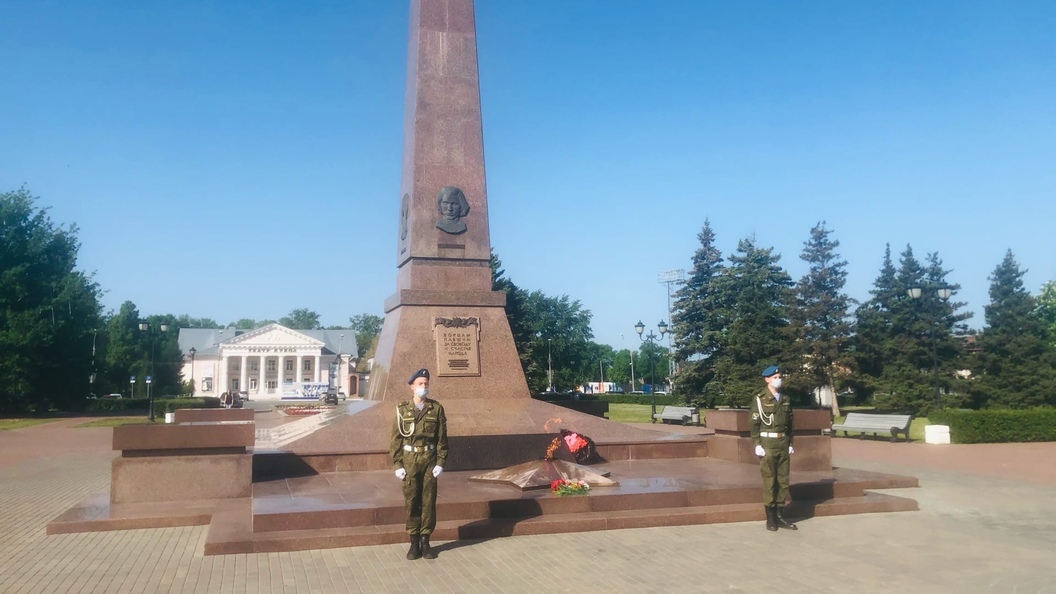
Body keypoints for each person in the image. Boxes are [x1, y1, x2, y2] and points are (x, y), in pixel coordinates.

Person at [390, 368, 448, 560]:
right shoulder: (402, 410)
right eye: (420, 384)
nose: (424, 387)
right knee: (412, 501)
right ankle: (413, 542)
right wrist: (397, 464)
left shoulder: (436, 409)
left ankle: (426, 541)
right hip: (410, 462)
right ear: (412, 387)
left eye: (426, 384)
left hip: (429, 461)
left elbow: (442, 439)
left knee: (428, 501)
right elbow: (396, 440)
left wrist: (440, 461)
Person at [750, 365, 798, 531]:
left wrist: (791, 443)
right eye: (776, 377)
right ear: (767, 379)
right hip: (768, 444)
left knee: (783, 481)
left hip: (782, 443)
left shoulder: (785, 399)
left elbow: (790, 424)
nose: (779, 379)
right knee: (770, 481)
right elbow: (755, 424)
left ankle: (780, 515)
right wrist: (756, 444)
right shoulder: (759, 398)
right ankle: (770, 518)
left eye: (780, 376)